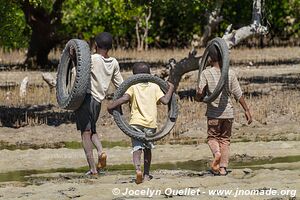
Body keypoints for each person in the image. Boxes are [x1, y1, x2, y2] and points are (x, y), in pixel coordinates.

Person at [107, 62, 174, 184]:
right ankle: (147, 174)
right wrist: (171, 89)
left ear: (133, 76)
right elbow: (165, 100)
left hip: (135, 124)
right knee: (148, 149)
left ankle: (138, 169)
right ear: (149, 74)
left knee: (137, 148)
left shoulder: (132, 87)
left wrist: (111, 105)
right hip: (150, 124)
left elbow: (124, 98)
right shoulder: (154, 86)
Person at [195, 45, 252, 176]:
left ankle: (217, 154)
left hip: (213, 114)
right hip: (228, 114)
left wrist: (198, 96)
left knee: (212, 138)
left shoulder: (205, 73)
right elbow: (238, 94)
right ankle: (222, 169)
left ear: (209, 58)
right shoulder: (230, 73)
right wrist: (247, 110)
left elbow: (200, 94)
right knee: (225, 140)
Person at [73, 32, 123, 175]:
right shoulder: (113, 62)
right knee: (92, 130)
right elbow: (120, 83)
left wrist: (73, 58)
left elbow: (79, 73)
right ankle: (101, 152)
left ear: (95, 45)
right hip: (98, 101)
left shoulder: (92, 59)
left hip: (86, 99)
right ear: (110, 47)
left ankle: (93, 169)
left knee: (85, 133)